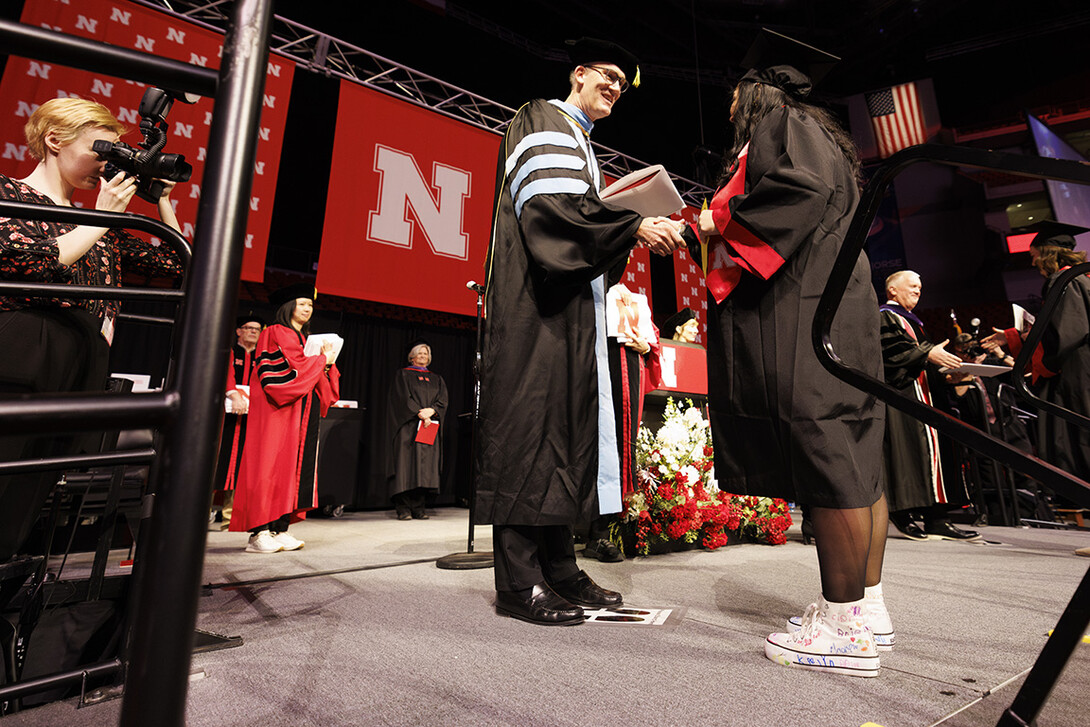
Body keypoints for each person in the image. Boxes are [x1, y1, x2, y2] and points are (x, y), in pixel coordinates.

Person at [689, 29, 889, 676]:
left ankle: (845, 625)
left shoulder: (782, 122)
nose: (729, 110)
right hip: (841, 310)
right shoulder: (824, 133)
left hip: (807, 314)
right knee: (854, 463)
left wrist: (716, 220)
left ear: (754, 94)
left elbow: (793, 195)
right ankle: (863, 608)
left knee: (827, 458)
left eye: (733, 98)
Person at [476, 37, 685, 626]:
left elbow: (577, 217)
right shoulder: (542, 118)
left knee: (562, 436)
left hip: (569, 311)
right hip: (536, 309)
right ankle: (519, 583)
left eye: (623, 83)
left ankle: (559, 567)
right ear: (578, 74)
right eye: (609, 74)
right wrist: (633, 223)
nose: (616, 87)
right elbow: (552, 212)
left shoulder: (582, 141)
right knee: (530, 432)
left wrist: (619, 221)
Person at [0, 97, 184, 563]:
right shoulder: (9, 194)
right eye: (99, 151)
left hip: (84, 357)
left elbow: (178, 262)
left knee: (33, 492)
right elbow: (35, 262)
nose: (106, 166)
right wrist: (99, 217)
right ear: (55, 140)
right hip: (27, 348)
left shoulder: (104, 224)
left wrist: (160, 200)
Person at [230, 284, 340, 553]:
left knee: (290, 468)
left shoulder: (307, 338)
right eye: (302, 303)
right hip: (276, 410)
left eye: (310, 305)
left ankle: (279, 528)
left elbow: (312, 370)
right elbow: (286, 371)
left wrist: (327, 363)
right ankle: (259, 533)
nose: (307, 308)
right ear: (288, 306)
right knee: (268, 465)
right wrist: (320, 360)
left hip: (301, 412)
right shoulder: (274, 332)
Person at [983, 221, 1090, 482]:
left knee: (1079, 434)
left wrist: (1027, 346)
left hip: (1077, 372)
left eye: (1034, 256)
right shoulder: (1082, 277)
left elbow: (1065, 334)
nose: (1033, 264)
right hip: (1082, 366)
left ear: (1047, 253)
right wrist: (1014, 337)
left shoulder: (1064, 279)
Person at [880, 270, 980, 541]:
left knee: (936, 454)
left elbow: (923, 361)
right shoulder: (885, 316)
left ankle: (938, 519)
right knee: (911, 455)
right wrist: (928, 352)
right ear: (892, 290)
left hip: (927, 396)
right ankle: (903, 514)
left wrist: (950, 373)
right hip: (904, 398)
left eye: (920, 287)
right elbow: (890, 355)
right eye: (912, 286)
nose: (918, 290)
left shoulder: (913, 321)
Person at [583, 282, 661, 562]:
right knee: (592, 445)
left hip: (626, 371)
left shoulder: (629, 297)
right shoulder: (589, 292)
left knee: (617, 448)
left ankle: (599, 533)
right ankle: (572, 531)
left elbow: (651, 341)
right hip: (593, 372)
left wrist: (647, 346)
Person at [209, 313, 264, 530]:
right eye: (249, 327)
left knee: (242, 464)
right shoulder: (229, 353)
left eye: (257, 329)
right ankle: (203, 512)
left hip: (251, 418)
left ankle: (231, 517)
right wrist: (233, 395)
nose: (253, 331)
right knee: (218, 460)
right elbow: (225, 375)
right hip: (225, 416)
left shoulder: (262, 358)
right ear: (238, 331)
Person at [386, 341, 448, 520]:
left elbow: (443, 400)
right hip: (408, 427)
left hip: (428, 427)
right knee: (406, 466)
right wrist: (420, 413)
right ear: (411, 357)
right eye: (419, 353)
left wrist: (433, 411)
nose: (423, 356)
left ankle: (419, 506)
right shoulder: (403, 375)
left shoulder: (437, 378)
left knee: (425, 469)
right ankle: (403, 507)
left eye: (426, 354)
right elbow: (402, 399)